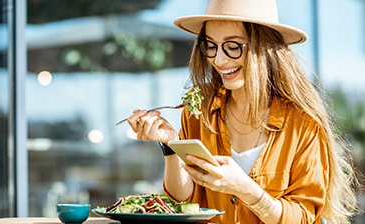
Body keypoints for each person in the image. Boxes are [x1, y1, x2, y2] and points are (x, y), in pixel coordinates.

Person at [126, 0, 359, 223]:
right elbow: (183, 202)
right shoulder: (198, 112)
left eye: (233, 46)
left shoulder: (303, 125)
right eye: (211, 45)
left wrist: (246, 190)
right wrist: (170, 144)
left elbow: (304, 217)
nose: (219, 59)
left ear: (264, 47)